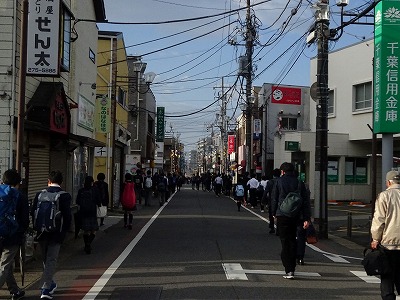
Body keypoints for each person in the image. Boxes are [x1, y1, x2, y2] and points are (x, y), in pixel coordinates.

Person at [32, 170, 72, 299]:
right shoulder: (64, 196)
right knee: (51, 259)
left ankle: (51, 283)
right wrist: (65, 232)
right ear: (61, 182)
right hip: (56, 233)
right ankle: (45, 289)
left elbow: (33, 212)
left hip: (41, 232)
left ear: (48, 181)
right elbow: (67, 216)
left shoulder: (39, 194)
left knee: (45, 259)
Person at [271, 162, 311, 280]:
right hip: (296, 215)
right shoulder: (300, 183)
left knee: (285, 241)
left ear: (282, 171)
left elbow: (274, 198)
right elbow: (305, 202)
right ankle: (292, 268)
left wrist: (273, 213)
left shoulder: (278, 181)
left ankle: (288, 268)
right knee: (293, 240)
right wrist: (306, 218)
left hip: (282, 214)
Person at [370, 170, 400, 300]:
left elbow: (379, 220)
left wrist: (376, 238)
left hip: (389, 244)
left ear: (388, 182)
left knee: (387, 276)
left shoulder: (384, 196)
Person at [0, 169, 29, 300]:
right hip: (12, 236)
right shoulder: (20, 196)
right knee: (5, 265)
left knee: (6, 266)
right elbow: (24, 220)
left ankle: (14, 290)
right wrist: (22, 231)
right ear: (18, 183)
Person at [76, 176, 101, 254]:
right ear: (92, 182)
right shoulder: (95, 190)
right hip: (92, 212)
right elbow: (98, 201)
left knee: (85, 231)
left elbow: (77, 201)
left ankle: (86, 244)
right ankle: (88, 243)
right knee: (93, 230)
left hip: (83, 212)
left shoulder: (81, 190)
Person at [263, 168, 280, 234]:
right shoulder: (281, 181)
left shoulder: (270, 182)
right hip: (280, 200)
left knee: (271, 214)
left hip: (271, 200)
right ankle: (278, 229)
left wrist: (263, 200)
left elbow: (266, 191)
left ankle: (272, 227)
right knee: (279, 215)